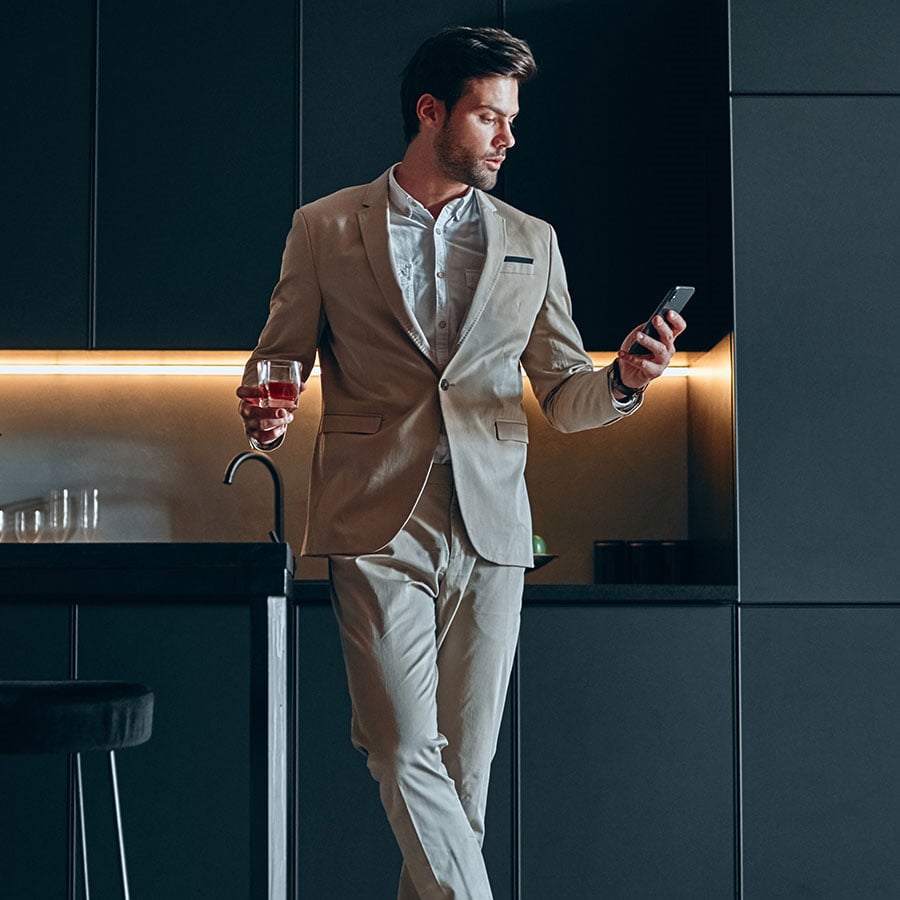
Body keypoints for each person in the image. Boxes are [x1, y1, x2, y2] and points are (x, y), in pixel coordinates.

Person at [237, 25, 686, 900]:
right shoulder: (325, 227)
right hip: (374, 523)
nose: (508, 137)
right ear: (431, 112)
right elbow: (273, 361)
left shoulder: (533, 240)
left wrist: (625, 382)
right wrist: (266, 412)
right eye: (489, 116)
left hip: (492, 532)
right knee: (404, 750)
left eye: (511, 118)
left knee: (462, 787)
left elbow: (563, 394)